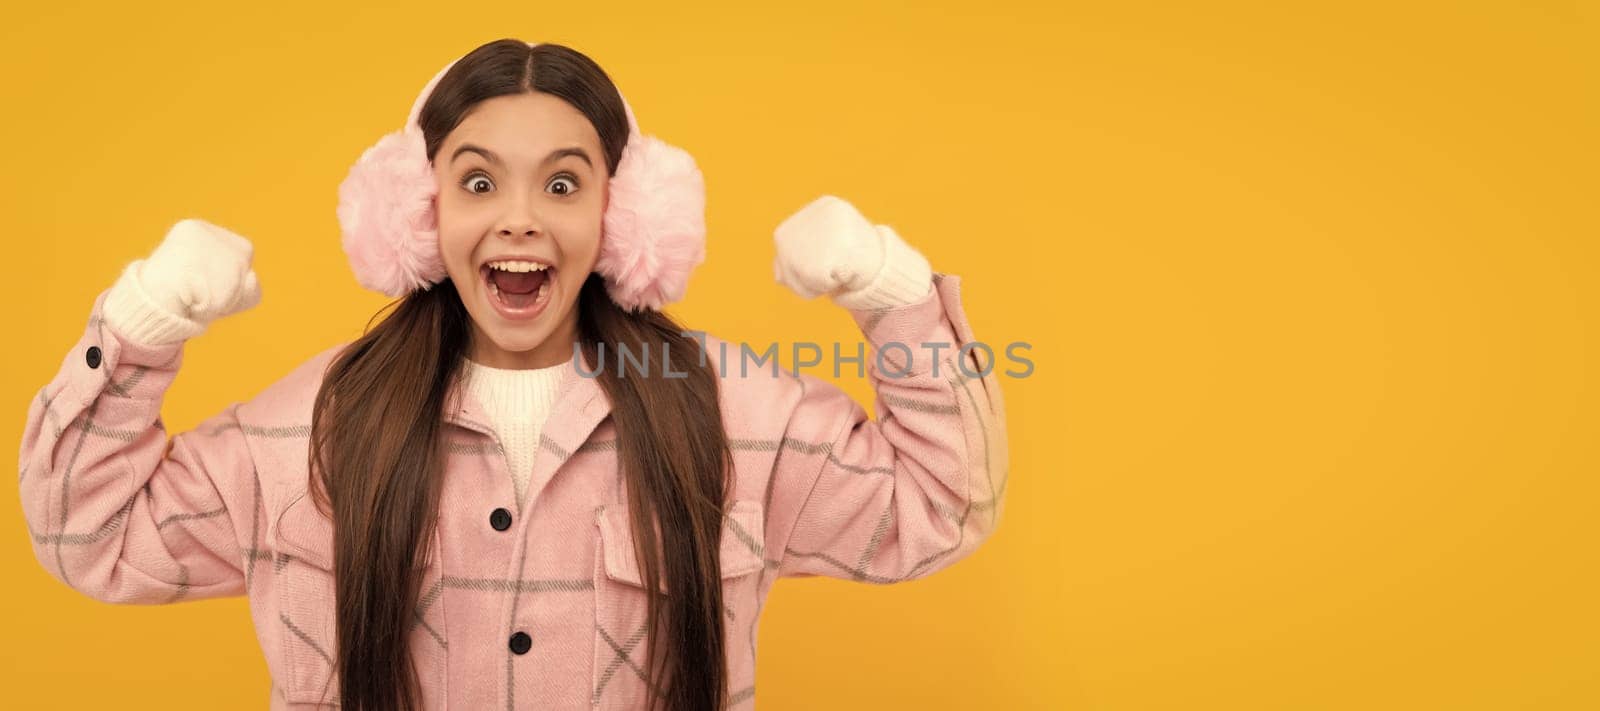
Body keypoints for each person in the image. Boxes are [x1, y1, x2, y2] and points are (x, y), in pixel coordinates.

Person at [18, 38, 1009, 711]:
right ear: (417, 210)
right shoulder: (311, 425)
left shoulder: (734, 412)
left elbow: (938, 506)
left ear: (623, 216)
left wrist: (892, 293)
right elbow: (87, 536)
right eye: (478, 180)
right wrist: (142, 324)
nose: (520, 219)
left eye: (565, 183)